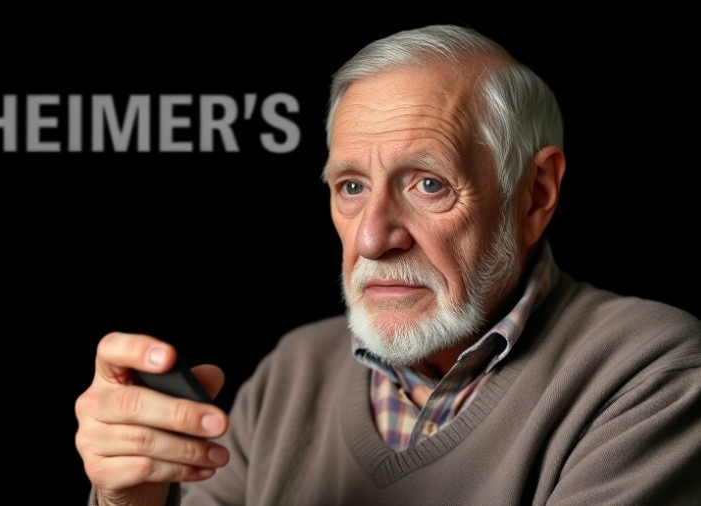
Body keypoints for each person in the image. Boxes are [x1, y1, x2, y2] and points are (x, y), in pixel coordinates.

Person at [74, 24, 701, 505]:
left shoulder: (652, 372)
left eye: (428, 184)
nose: (372, 238)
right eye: (350, 187)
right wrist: (131, 499)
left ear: (534, 194)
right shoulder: (290, 374)